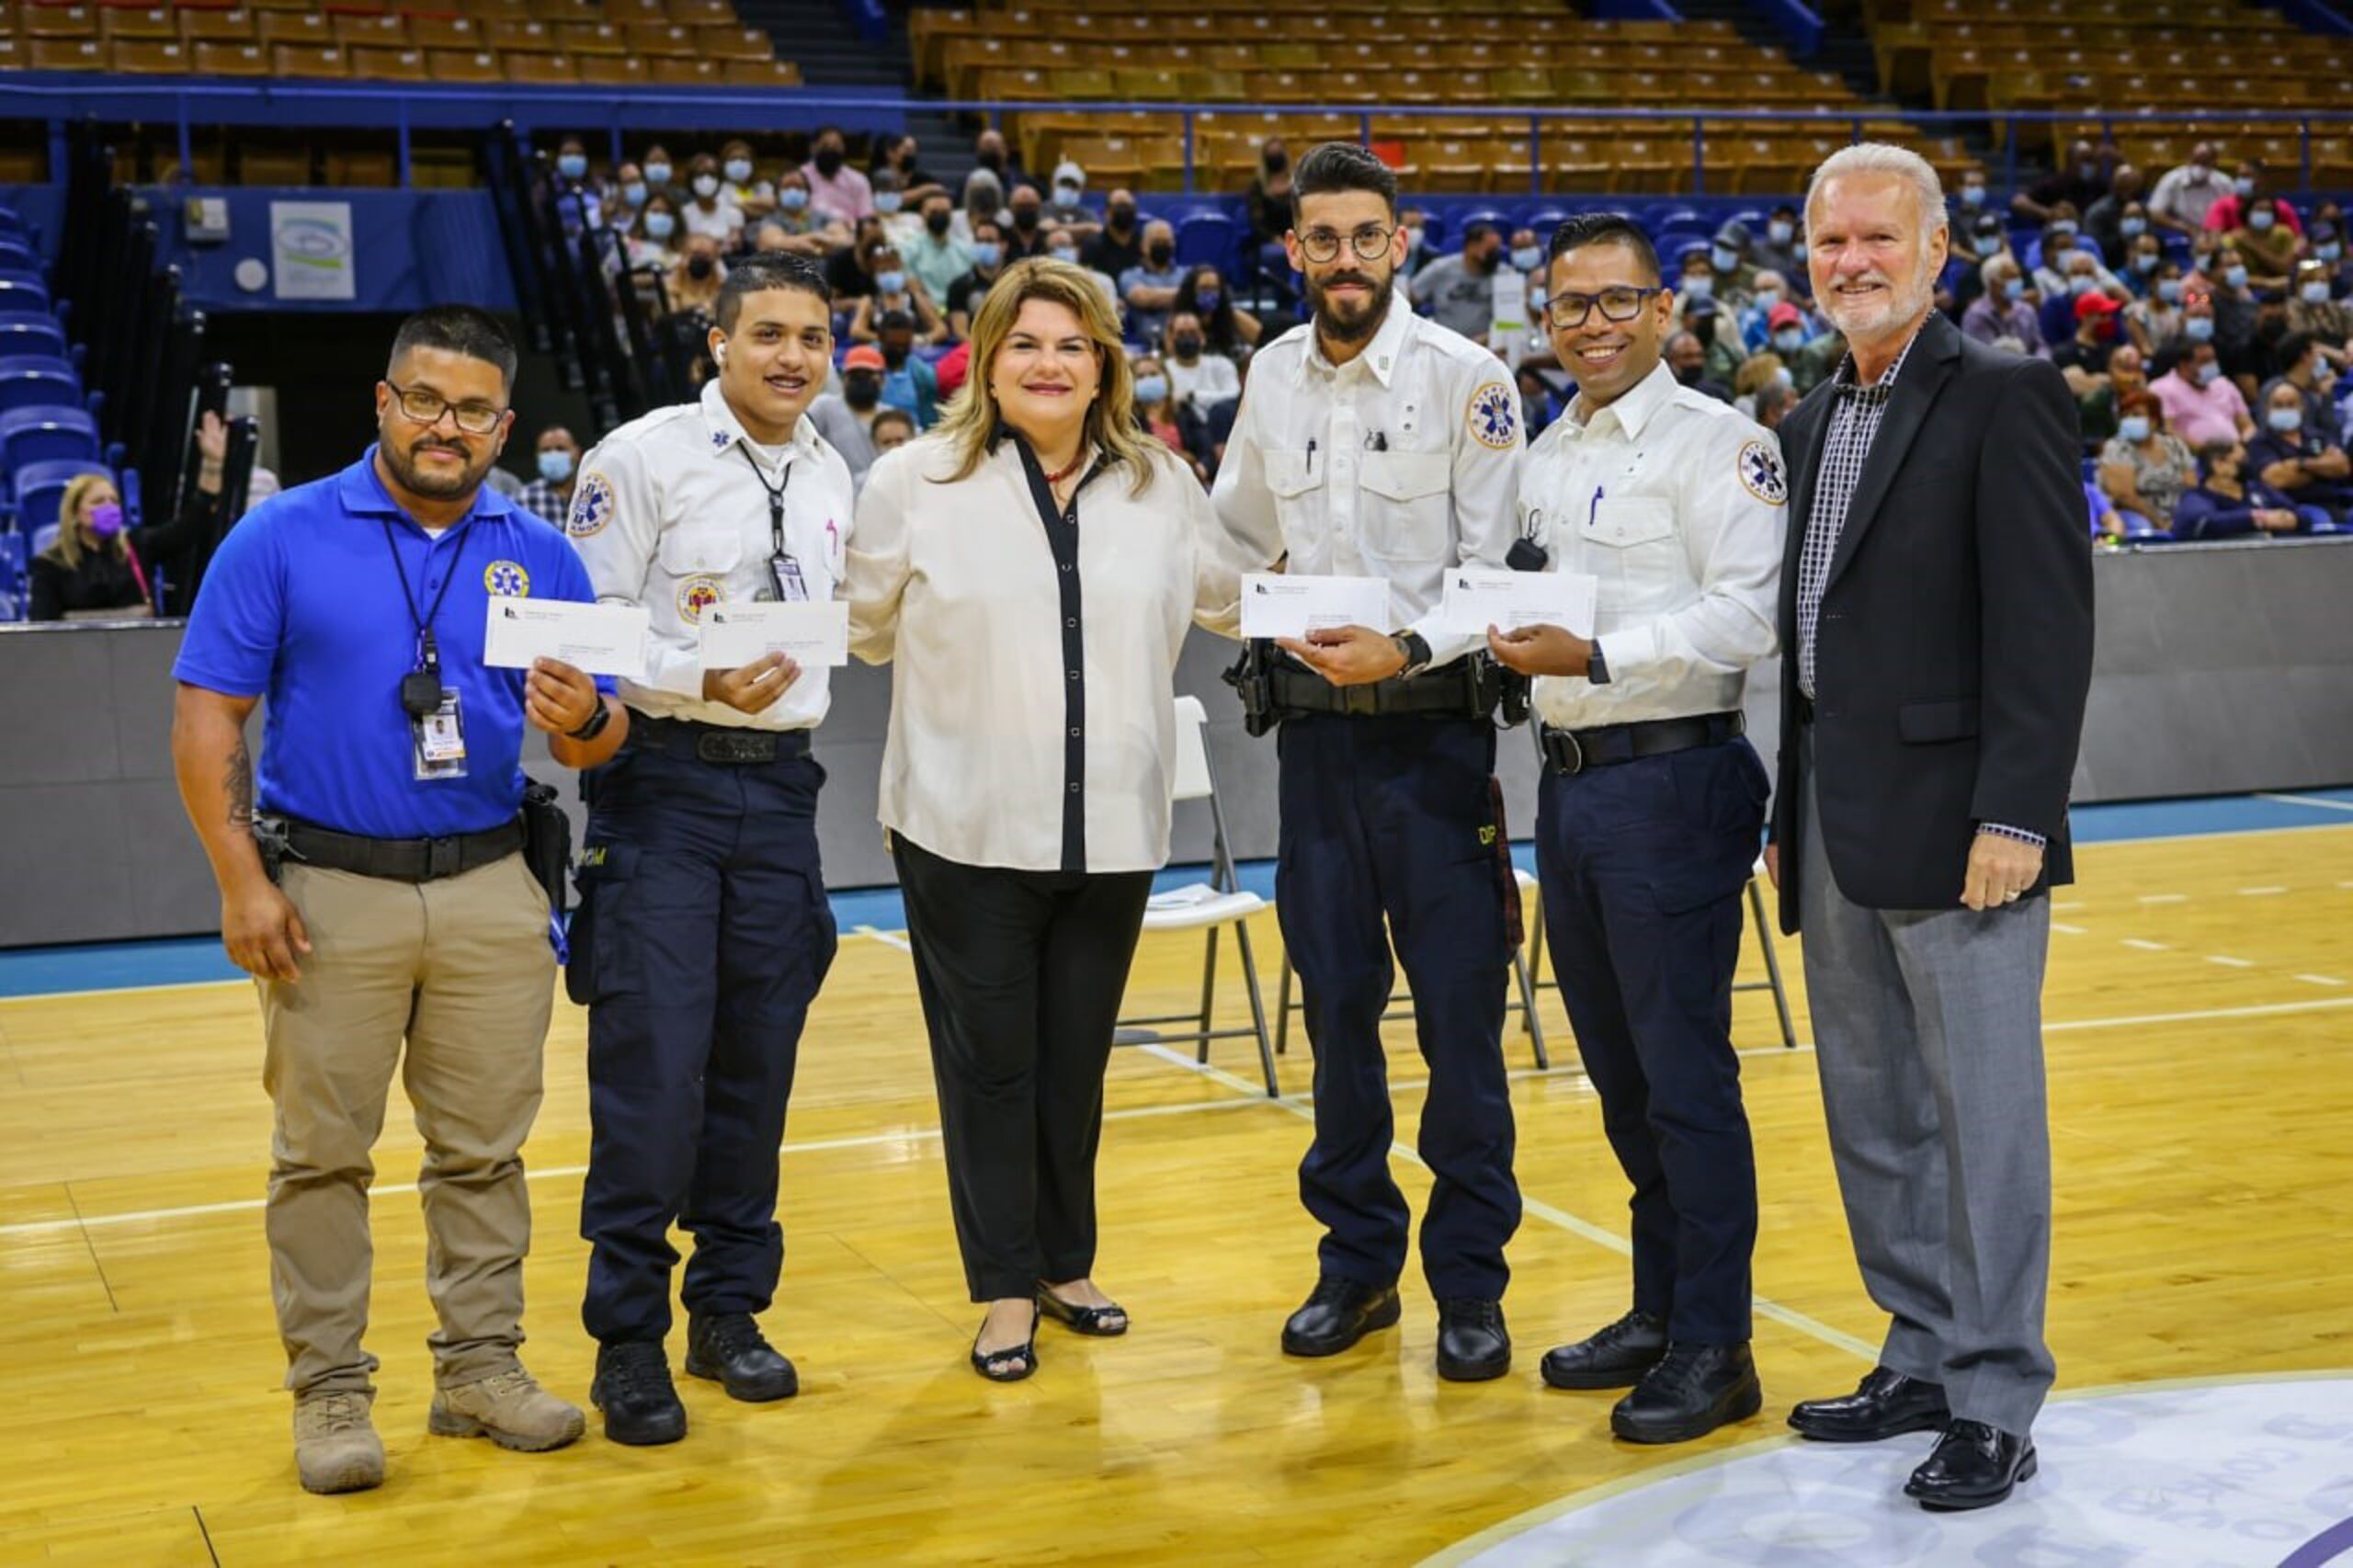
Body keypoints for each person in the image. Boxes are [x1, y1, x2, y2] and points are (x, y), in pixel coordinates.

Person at [168, 305, 624, 1494]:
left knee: (484, 1151)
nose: (446, 425)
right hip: (327, 890)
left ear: (503, 424)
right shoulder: (280, 537)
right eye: (424, 399)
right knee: (321, 1155)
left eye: (473, 408)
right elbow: (207, 715)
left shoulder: (545, 551)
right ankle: (329, 1389)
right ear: (383, 402)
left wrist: (582, 716)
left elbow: (598, 739)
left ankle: (479, 1366)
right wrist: (239, 881)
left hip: (489, 885)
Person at [845, 257, 1245, 1381]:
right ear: (983, 355)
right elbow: (860, 624)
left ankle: (1067, 1263)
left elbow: (1232, 596)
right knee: (990, 1068)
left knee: (1074, 1062)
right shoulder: (914, 480)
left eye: (1072, 344)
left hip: (1114, 827)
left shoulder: (1160, 482)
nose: (1049, 363)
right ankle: (1004, 1288)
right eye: (1026, 343)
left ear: (1104, 359)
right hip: (962, 828)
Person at [1769, 142, 2092, 1514]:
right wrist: (1791, 811)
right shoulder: (1802, 418)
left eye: (1875, 239)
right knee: (1876, 1111)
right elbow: (1805, 645)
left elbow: (2048, 623)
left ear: (1936, 250)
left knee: (1985, 1119)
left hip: (1968, 828)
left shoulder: (2008, 395)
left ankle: (1998, 1387)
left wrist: (2019, 806)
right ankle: (1916, 1348)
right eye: (1830, 241)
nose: (1851, 260)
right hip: (1838, 821)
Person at [1211, 142, 1524, 1382]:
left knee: (1461, 1025)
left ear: (1403, 241)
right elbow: (1233, 537)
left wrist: (1399, 648)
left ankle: (1470, 1286)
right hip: (1315, 752)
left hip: (1437, 747)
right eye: (1322, 238)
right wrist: (1251, 603)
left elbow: (1496, 574)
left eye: (1367, 236)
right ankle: (1355, 1269)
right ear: (1294, 250)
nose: (1345, 259)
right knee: (1336, 1017)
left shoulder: (1470, 378)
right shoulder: (1271, 376)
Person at [1486, 213, 1784, 1445]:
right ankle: (1662, 1308)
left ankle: (1717, 1343)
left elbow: (1745, 617)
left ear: (1665, 311)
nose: (1592, 325)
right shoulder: (1547, 451)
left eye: (1617, 302)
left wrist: (1600, 652)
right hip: (1573, 784)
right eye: (1570, 305)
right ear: (1544, 320)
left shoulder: (1727, 445)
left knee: (1684, 1073)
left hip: (1674, 779)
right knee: (1619, 1071)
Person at [562, 255, 856, 1447]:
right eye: (768, 332)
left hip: (782, 797)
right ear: (718, 341)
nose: (792, 355)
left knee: (755, 1068)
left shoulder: (835, 467)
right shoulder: (634, 459)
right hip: (662, 790)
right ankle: (626, 1335)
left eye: (812, 336)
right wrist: (695, 673)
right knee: (651, 1074)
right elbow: (582, 629)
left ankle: (726, 1308)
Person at [30, 415, 230, 620]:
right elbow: (42, 631)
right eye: (98, 501)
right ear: (74, 514)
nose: (109, 507)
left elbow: (190, 525)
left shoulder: (137, 546)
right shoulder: (50, 565)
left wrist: (212, 465)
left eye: (114, 501)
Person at [2245, 379, 2353, 525]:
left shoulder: (2317, 435)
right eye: (2278, 405)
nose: (2285, 409)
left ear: (2301, 407)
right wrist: (2321, 467)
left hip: (2333, 503)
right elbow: (2275, 478)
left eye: (2291, 404)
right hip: (2293, 509)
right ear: (2267, 409)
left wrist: (2300, 464)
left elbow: (2342, 466)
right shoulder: (2260, 441)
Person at [2097, 391, 2197, 532]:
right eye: (2124, 416)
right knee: (2142, 527)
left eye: (2136, 415)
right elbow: (2124, 496)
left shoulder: (2175, 445)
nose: (2129, 420)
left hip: (2177, 514)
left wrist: (2182, 519)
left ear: (2154, 420)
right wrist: (2159, 522)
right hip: (2137, 516)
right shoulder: (2116, 448)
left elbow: (2191, 485)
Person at [2174, 437, 2313, 539]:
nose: (2247, 464)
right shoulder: (2198, 497)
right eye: (2241, 460)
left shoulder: (2258, 489)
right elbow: (2202, 523)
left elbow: (2302, 515)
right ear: (2219, 465)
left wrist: (2292, 519)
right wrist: (2258, 518)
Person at [804, 344, 890, 482]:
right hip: (835, 487)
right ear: (844, 378)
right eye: (855, 375)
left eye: (868, 375)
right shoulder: (824, 407)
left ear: (882, 380)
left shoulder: (891, 415)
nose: (862, 380)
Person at [2150, 337, 2255, 447]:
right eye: (2204, 361)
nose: (2211, 365)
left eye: (2213, 359)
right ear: (2184, 365)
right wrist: (2207, 451)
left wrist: (2243, 443)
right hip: (2195, 457)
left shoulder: (2224, 384)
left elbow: (2248, 426)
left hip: (2237, 453)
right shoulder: (2161, 389)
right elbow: (2167, 432)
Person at [1411, 221, 1503, 339]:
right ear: (1471, 246)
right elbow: (1410, 297)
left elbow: (1512, 320)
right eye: (1491, 250)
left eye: (1498, 250)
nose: (1496, 255)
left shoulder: (1504, 274)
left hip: (1485, 346)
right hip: (1443, 344)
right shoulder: (1441, 269)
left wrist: (1488, 338)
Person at [847, 243, 948, 347]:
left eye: (894, 269)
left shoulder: (915, 298)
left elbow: (941, 329)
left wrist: (923, 339)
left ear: (902, 270)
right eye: (884, 270)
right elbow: (856, 331)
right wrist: (889, 340)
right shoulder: (869, 301)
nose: (890, 274)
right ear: (875, 275)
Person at [2010, 138, 2112, 224]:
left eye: (2090, 160)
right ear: (2070, 163)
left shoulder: (2097, 184)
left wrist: (2118, 158)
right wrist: (2049, 213)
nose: (2088, 165)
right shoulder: (2054, 184)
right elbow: (2018, 202)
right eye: (2083, 160)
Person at [1961, 257, 2047, 357]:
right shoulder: (1976, 315)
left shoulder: (2026, 309)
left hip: (2031, 367)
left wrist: (2042, 362)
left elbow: (2040, 345)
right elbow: (1986, 358)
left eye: (2019, 277)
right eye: (2012, 278)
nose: (2018, 282)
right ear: (1994, 284)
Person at [1120, 221, 1185, 346]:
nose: (1162, 245)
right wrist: (1185, 294)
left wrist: (1155, 296)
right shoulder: (1130, 275)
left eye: (1166, 241)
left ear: (1174, 244)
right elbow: (1142, 298)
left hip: (1181, 345)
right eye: (1157, 242)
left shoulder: (1185, 274)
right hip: (1145, 345)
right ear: (1143, 245)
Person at [874, 309, 941, 428]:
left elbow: (931, 421)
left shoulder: (923, 375)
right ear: (880, 339)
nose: (899, 350)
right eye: (893, 345)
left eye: (903, 345)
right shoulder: (867, 369)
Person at [1176, 263, 1261, 356]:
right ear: (1191, 291)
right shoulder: (1180, 321)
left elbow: (1263, 341)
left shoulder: (1232, 316)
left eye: (1214, 288)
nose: (1209, 293)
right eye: (1204, 288)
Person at [2149, 142, 2229, 238]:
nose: (2199, 167)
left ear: (2214, 163)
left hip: (2217, 232)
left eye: (2204, 163)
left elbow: (2235, 215)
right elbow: (2154, 213)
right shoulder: (2172, 179)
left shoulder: (2224, 183)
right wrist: (2184, 227)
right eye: (2196, 162)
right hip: (2182, 232)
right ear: (2189, 160)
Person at [907, 191, 972, 308]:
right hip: (926, 315)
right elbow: (913, 287)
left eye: (944, 212)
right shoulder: (909, 249)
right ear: (922, 213)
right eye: (934, 212)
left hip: (961, 312)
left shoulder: (966, 250)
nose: (939, 216)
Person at [1165, 310, 1241, 410]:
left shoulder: (1222, 364)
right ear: (1171, 338)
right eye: (1180, 333)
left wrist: (1192, 396)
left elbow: (1234, 394)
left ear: (1203, 337)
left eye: (1193, 332)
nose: (1187, 338)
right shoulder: (1163, 370)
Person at [947, 217, 1007, 339]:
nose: (983, 245)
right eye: (979, 241)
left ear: (1003, 246)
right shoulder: (959, 285)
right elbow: (961, 332)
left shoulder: (1016, 283)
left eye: (990, 241)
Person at [801, 125, 872, 226]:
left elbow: (866, 218)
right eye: (825, 146)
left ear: (843, 149)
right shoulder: (800, 177)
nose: (830, 150)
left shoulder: (859, 181)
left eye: (835, 147)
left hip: (848, 236)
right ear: (813, 148)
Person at [517, 424, 581, 528]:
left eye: (560, 449)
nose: (553, 455)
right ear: (537, 456)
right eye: (546, 450)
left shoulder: (590, 490)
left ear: (576, 453)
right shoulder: (524, 498)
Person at [680, 153, 743, 250]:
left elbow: (735, 244)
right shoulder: (683, 214)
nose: (706, 179)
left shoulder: (734, 213)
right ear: (691, 180)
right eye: (700, 175)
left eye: (712, 174)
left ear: (719, 179)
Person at [2124, 261, 2187, 357]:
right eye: (2166, 277)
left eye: (2177, 278)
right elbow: (2144, 349)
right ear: (2151, 281)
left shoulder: (2178, 314)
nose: (2172, 283)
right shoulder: (2137, 312)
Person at [1083, 188, 1146, 283]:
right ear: (1107, 212)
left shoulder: (1143, 243)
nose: (1124, 211)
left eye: (1127, 206)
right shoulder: (1092, 245)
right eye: (1119, 206)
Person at [667, 233, 725, 317]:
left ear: (715, 259)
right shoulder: (672, 287)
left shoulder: (723, 288)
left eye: (705, 256)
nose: (700, 259)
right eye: (695, 254)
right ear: (684, 256)